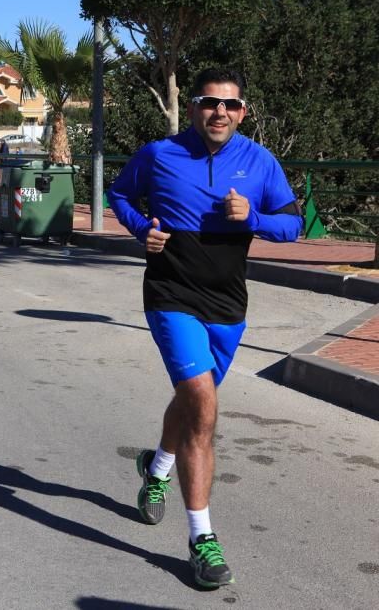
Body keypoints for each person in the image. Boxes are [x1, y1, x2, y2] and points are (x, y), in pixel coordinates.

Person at [107, 68, 302, 589]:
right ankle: (202, 538)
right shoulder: (159, 154)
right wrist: (140, 228)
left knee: (195, 401)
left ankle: (157, 467)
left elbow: (294, 225)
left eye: (230, 105)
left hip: (228, 302)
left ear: (243, 112)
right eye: (209, 102)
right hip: (170, 293)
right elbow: (119, 193)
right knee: (204, 404)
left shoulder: (260, 162)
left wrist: (253, 217)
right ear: (193, 108)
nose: (220, 112)